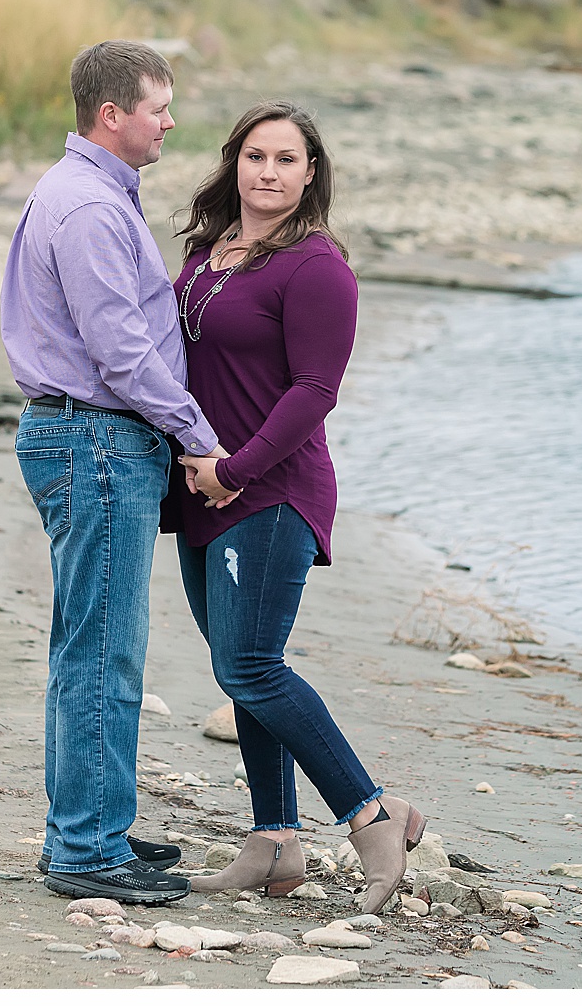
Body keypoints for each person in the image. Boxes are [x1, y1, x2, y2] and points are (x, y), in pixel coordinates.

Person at [169, 100, 426, 914]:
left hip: (269, 491)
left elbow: (317, 390)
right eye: (255, 157)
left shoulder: (317, 267)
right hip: (210, 492)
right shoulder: (211, 252)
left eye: (286, 159)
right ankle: (276, 843)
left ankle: (372, 812)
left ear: (311, 172)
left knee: (249, 665)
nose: (269, 172)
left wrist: (237, 470)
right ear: (234, 164)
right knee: (242, 671)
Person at [0, 40, 228, 905]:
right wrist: (199, 439)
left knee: (88, 645)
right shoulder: (90, 209)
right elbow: (122, 353)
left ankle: (91, 826)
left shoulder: (87, 194)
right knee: (103, 651)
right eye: (158, 107)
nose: (171, 123)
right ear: (112, 116)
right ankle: (88, 851)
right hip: (95, 440)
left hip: (86, 439)